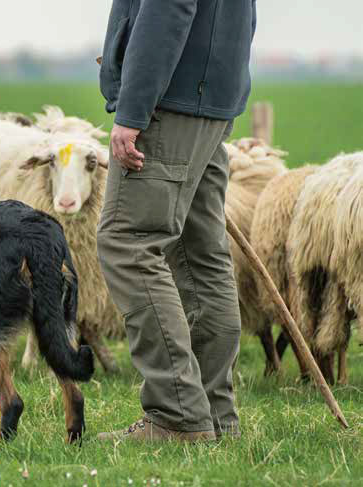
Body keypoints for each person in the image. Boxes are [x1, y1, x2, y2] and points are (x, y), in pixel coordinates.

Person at [96, 0, 257, 443]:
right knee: (199, 253)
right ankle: (214, 416)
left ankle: (178, 415)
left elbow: (169, 9)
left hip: (173, 101)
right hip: (209, 100)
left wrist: (133, 110)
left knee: (128, 242)